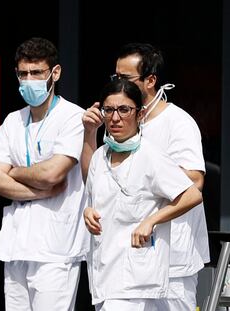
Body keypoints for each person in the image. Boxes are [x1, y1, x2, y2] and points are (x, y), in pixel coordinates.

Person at [81, 43, 209, 310]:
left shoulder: (177, 124)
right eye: (114, 77)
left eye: (125, 78)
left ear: (150, 80)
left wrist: (147, 189)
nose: (118, 83)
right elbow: (94, 182)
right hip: (121, 260)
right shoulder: (110, 143)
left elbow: (194, 183)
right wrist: (89, 134)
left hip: (173, 259)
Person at [0, 37, 89, 310]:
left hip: (56, 248)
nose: (28, 80)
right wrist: (40, 188)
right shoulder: (13, 121)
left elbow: (53, 175)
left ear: (55, 73)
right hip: (16, 244)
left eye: (36, 72)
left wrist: (15, 171)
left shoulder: (72, 117)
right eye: (23, 73)